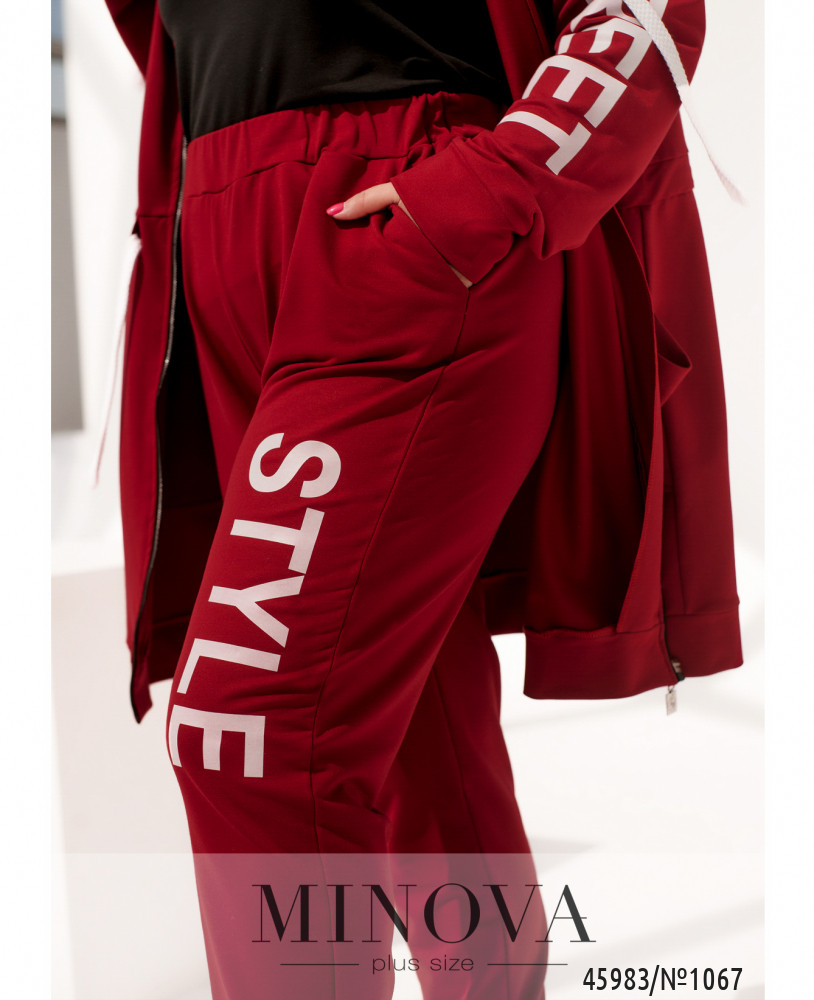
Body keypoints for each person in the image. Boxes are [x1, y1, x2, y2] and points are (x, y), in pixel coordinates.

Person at [103, 1, 743, 997]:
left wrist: (498, 182)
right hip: (225, 233)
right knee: (420, 749)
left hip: (398, 223)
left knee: (249, 733)